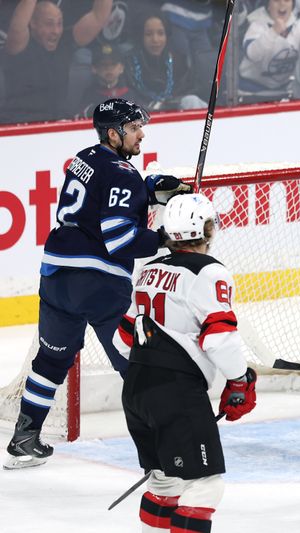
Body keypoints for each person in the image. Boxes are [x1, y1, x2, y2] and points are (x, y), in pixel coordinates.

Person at [4, 98, 191, 470]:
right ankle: (162, 450)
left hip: (57, 278)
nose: (141, 133)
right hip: (100, 285)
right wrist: (168, 239)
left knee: (52, 360)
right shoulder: (123, 175)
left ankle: (25, 437)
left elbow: (104, 193)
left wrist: (152, 186)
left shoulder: (83, 157)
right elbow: (121, 239)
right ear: (113, 133)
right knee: (135, 361)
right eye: (134, 128)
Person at [112, 193, 257, 533]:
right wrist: (239, 380)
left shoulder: (149, 271)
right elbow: (219, 337)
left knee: (165, 482)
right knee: (205, 485)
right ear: (207, 229)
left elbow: (123, 341)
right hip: (175, 393)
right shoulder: (210, 271)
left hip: (136, 390)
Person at [1, 0, 112, 123]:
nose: (56, 30)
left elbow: (98, 16)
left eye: (59, 23)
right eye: (49, 24)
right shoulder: (19, 46)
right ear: (33, 23)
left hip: (57, 125)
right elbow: (17, 27)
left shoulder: (64, 43)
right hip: (18, 126)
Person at [126, 13, 206, 111]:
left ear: (167, 35)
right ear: (141, 36)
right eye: (149, 34)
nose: (155, 40)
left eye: (160, 33)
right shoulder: (128, 64)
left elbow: (188, 91)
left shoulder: (180, 61)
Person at [78, 42, 140, 118]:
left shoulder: (131, 94)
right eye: (103, 64)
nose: (108, 69)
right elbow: (81, 117)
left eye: (113, 64)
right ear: (94, 68)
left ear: (121, 68)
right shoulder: (89, 95)